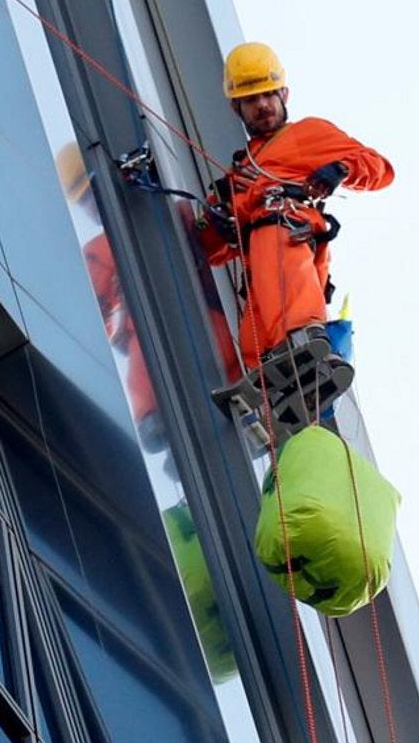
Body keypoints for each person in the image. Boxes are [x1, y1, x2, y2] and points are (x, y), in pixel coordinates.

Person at [200, 42, 394, 426]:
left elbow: (379, 168)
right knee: (255, 326)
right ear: (236, 108)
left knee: (277, 247)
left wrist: (339, 168)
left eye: (268, 94)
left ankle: (304, 340)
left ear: (283, 93)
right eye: (251, 99)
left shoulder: (309, 133)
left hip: (290, 237)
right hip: (261, 263)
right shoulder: (239, 174)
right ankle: (273, 380)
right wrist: (219, 224)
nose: (263, 105)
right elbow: (209, 249)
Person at [57, 142, 240, 453]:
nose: (92, 205)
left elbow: (207, 243)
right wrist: (117, 320)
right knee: (148, 359)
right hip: (148, 325)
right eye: (84, 200)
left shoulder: (167, 211)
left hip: (198, 308)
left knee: (220, 343)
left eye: (92, 192)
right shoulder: (98, 252)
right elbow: (89, 313)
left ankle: (236, 397)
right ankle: (154, 420)